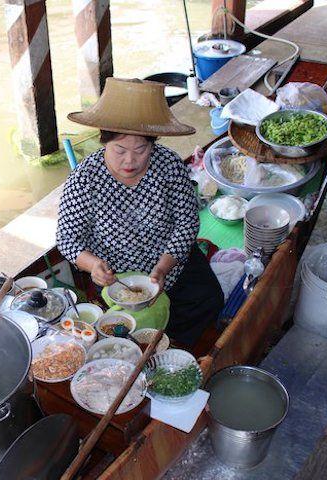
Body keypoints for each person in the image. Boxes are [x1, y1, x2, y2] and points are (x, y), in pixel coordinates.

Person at [57, 77, 224, 345]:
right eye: (119, 150)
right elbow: (67, 239)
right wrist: (93, 266)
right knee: (129, 332)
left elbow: (187, 222)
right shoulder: (85, 178)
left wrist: (163, 268)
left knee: (209, 299)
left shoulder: (168, 164)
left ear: (152, 143)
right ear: (104, 142)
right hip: (119, 277)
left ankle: (175, 349)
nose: (130, 160)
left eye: (141, 149)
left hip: (170, 260)